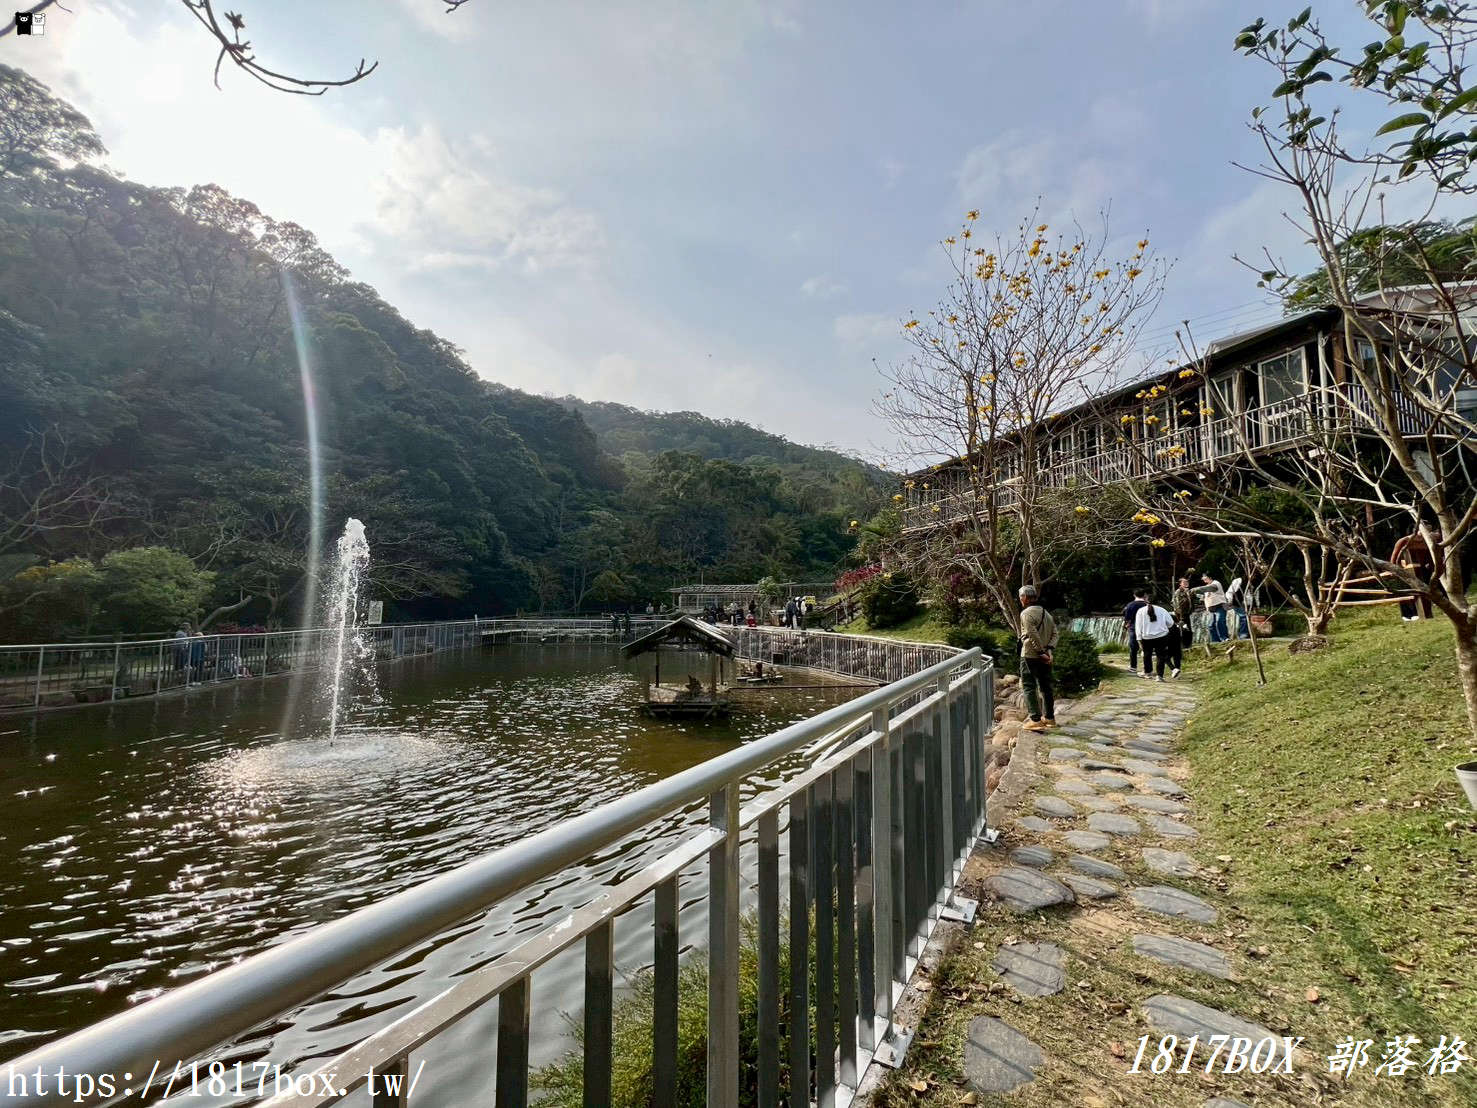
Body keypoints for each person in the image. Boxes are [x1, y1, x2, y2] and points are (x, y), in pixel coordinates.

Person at [1018, 585, 1057, 732]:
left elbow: (1032, 633)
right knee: (1046, 687)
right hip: (1045, 655)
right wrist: (1049, 651)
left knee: (1029, 686)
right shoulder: (1046, 613)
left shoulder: (1026, 614)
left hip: (1030, 654)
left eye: (1021, 597)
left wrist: (1040, 652)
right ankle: (1050, 718)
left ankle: (1035, 719)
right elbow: (1055, 634)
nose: (1020, 599)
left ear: (1025, 598)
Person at [1391, 529, 1436, 621]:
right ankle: (1408, 615)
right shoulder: (1404, 541)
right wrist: (1397, 570)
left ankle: (1425, 613)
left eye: (1428, 529)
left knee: (1424, 592)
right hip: (1406, 571)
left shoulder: (1427, 541)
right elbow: (1394, 559)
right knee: (1407, 591)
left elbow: (1430, 557)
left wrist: (1433, 568)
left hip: (1422, 570)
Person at [1134, 595, 1176, 681]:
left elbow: (1138, 627)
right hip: (1161, 636)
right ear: (1158, 602)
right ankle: (1159, 676)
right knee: (1160, 656)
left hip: (1146, 637)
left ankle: (1148, 673)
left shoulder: (1140, 611)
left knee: (1147, 655)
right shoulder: (1163, 610)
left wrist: (1139, 639)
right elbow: (1171, 623)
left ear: (1146, 601)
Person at [1192, 573, 1229, 644]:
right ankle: (1215, 641)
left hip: (1219, 606)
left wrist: (1195, 589)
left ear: (1210, 577)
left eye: (1205, 578)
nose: (1203, 579)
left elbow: (1207, 589)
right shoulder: (1207, 586)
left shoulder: (1216, 584)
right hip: (1211, 609)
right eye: (1203, 578)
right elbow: (1206, 597)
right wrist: (1196, 595)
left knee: (1220, 622)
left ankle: (1224, 638)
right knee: (1211, 625)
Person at [1122, 589, 1149, 676]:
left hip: (1134, 629)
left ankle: (1133, 667)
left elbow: (1127, 618)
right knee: (1146, 649)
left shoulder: (1130, 605)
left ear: (1134, 595)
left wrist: (1126, 626)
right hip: (1146, 629)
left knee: (1133, 648)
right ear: (1144, 595)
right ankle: (1147, 668)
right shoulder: (1147, 605)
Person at [1225, 573, 1251, 640]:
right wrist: (1230, 601)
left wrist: (1254, 605)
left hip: (1245, 604)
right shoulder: (1238, 581)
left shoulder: (1252, 583)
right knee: (1244, 617)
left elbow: (1250, 595)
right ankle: (1243, 634)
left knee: (1245, 618)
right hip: (1236, 602)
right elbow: (1230, 592)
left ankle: (1243, 634)